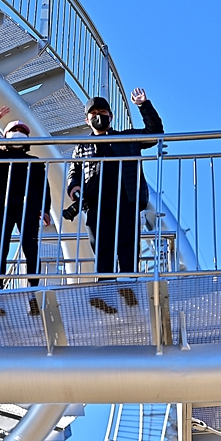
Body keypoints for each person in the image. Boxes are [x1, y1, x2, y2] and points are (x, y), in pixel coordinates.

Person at [66, 88, 163, 313]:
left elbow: (154, 132)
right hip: (96, 201)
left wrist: (143, 105)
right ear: (87, 119)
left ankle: (129, 286)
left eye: (103, 112)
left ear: (111, 116)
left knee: (127, 242)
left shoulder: (127, 137)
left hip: (125, 198)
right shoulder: (82, 147)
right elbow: (74, 171)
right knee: (102, 245)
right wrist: (74, 187)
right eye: (94, 113)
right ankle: (105, 290)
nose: (98, 116)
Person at [0, 106, 52, 316]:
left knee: (30, 247)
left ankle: (33, 292)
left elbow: (44, 187)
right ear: (5, 137)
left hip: (28, 208)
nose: (17, 135)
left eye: (21, 133)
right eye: (13, 132)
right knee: (1, 246)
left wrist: (46, 209)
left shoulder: (34, 162)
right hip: (2, 207)